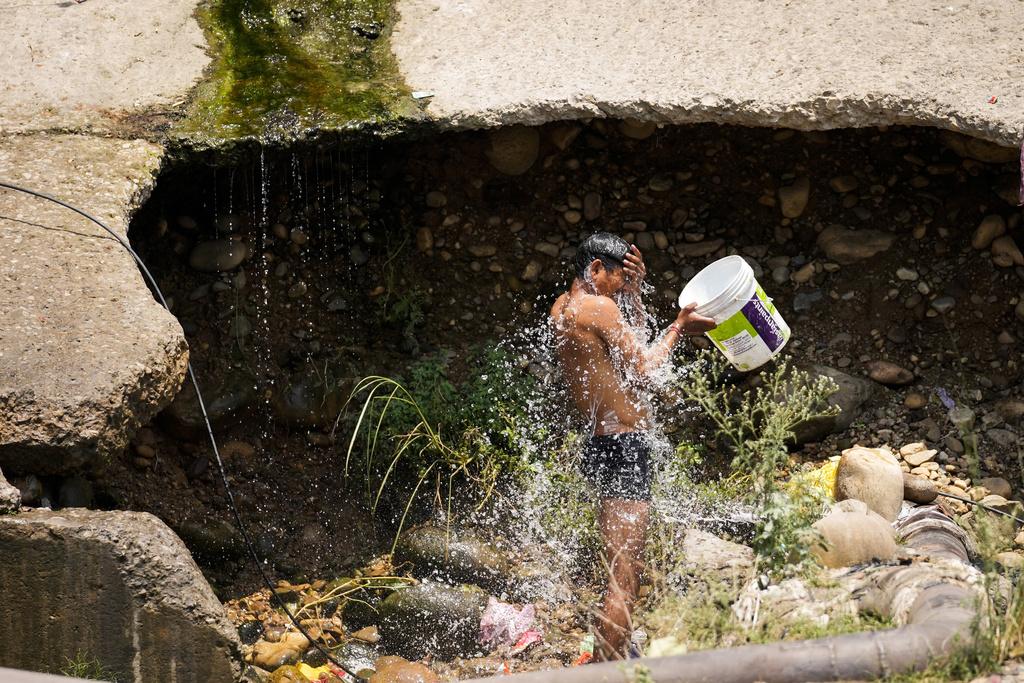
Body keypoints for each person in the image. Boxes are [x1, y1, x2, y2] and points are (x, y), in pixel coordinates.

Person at [549, 232, 717, 660]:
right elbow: (644, 370)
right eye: (617, 279)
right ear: (595, 269)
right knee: (624, 578)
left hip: (599, 444)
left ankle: (605, 655)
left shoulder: (562, 310)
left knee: (612, 570)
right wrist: (679, 327)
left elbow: (625, 349)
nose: (619, 289)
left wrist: (637, 294)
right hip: (625, 448)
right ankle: (605, 672)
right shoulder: (599, 306)